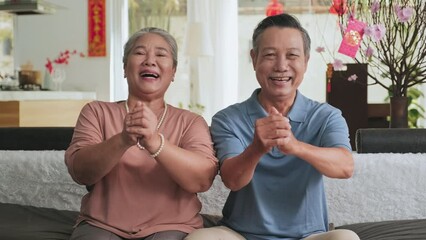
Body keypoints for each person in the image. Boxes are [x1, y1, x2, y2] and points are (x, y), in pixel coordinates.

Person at [185, 13, 360, 240]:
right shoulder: (228, 119)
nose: (281, 66)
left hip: (308, 236)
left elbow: (345, 167)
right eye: (269, 55)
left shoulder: (326, 116)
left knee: (346, 238)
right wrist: (257, 148)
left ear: (306, 61)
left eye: (292, 55)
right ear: (254, 58)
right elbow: (232, 180)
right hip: (241, 235)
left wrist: (295, 146)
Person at [65, 27, 218, 240]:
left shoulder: (191, 121)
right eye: (139, 53)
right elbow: (80, 172)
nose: (149, 60)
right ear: (125, 68)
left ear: (173, 72)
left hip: (172, 226)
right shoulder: (96, 112)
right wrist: (123, 139)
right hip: (101, 225)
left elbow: (202, 180)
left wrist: (155, 143)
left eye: (161, 54)